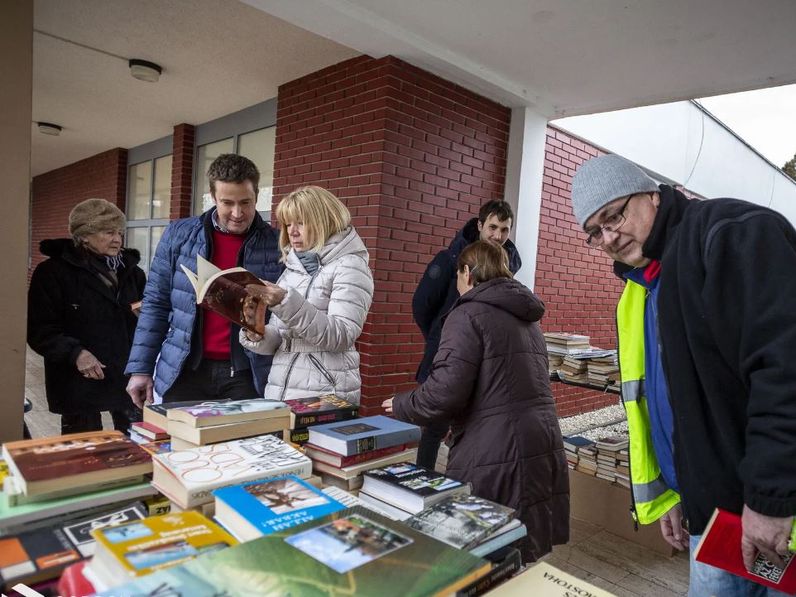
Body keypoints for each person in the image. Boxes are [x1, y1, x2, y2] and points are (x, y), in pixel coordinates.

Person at [570, 154, 796, 596]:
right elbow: (663, 403)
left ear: (653, 195)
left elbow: (785, 373)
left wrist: (770, 500)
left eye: (614, 215)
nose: (609, 237)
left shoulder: (731, 235)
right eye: (594, 232)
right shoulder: (642, 287)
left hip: (774, 517)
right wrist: (676, 494)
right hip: (712, 515)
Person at [384, 240, 569, 563]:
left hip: (496, 450)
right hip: (540, 442)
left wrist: (402, 404)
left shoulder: (467, 313)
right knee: (517, 545)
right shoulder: (526, 318)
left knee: (483, 551)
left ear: (466, 273)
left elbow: (445, 392)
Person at [125, 154, 282, 407]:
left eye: (246, 202)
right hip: (185, 370)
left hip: (248, 374)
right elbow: (156, 303)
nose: (237, 213)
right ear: (212, 197)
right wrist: (140, 368)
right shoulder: (179, 235)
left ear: (257, 196)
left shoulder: (277, 244)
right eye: (227, 202)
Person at [411, 199, 522, 470]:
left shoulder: (508, 266)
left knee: (476, 429)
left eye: (505, 230)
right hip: (445, 356)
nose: (498, 236)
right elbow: (421, 306)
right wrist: (439, 338)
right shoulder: (449, 260)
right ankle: (422, 482)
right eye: (493, 227)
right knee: (434, 428)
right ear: (480, 225)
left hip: (485, 362)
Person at [239, 186, 373, 404]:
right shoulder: (293, 267)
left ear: (324, 221)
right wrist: (257, 332)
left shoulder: (350, 265)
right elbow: (284, 339)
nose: (292, 231)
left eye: (300, 222)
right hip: (280, 389)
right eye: (288, 224)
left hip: (325, 393)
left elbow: (342, 335)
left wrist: (284, 301)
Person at [28, 198, 146, 434]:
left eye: (120, 232)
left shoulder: (132, 273)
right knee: (83, 455)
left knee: (139, 445)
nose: (117, 239)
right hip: (78, 378)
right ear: (83, 236)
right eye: (108, 232)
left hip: (126, 375)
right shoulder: (52, 273)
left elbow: (147, 320)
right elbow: (40, 330)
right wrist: (75, 353)